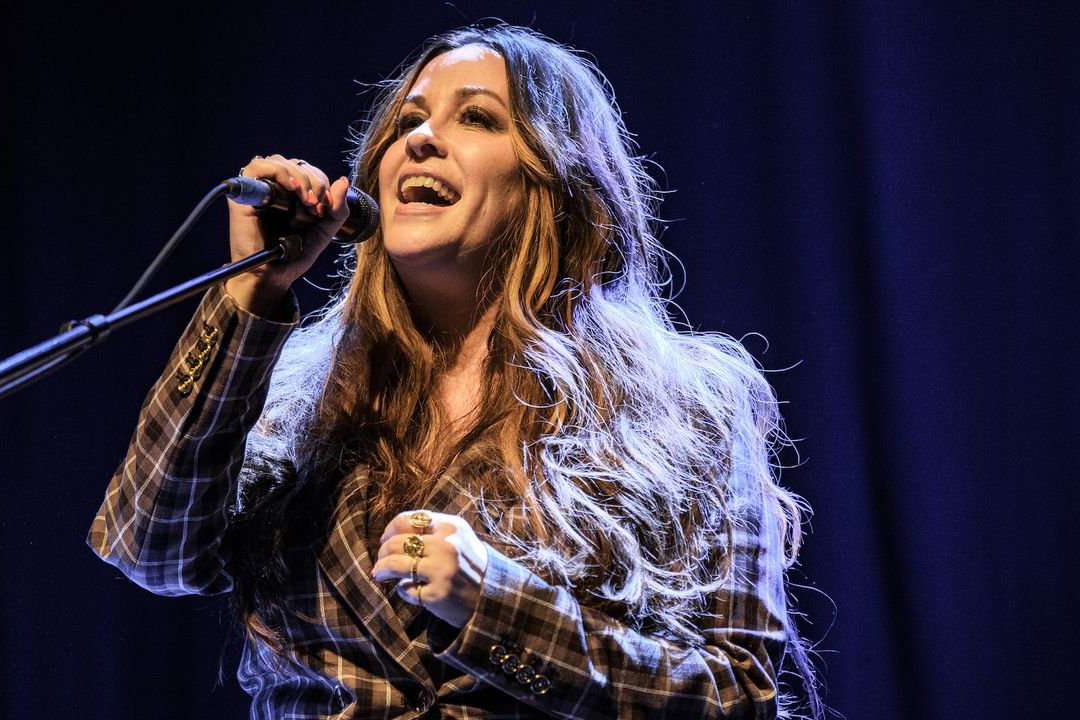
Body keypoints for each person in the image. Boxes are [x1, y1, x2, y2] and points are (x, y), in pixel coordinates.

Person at [90, 24, 821, 719]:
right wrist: (253, 292)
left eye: (477, 118)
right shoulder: (295, 396)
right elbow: (150, 549)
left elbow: (740, 699)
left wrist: (494, 602)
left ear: (559, 183)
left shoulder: (688, 408)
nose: (422, 138)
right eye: (407, 120)